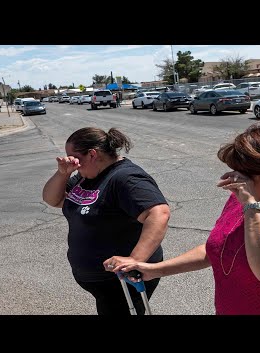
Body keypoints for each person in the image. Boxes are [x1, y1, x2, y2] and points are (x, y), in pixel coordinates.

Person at [108, 122, 260, 315]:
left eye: (247, 174)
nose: (237, 179)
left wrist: (251, 207)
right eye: (236, 170)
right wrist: (154, 269)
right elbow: (220, 246)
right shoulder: (248, 196)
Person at [42, 127, 170, 315]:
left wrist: (135, 260)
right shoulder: (85, 177)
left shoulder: (125, 178)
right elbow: (52, 199)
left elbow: (159, 213)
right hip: (101, 282)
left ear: (92, 154)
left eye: (74, 157)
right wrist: (63, 173)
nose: (71, 162)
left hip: (120, 281)